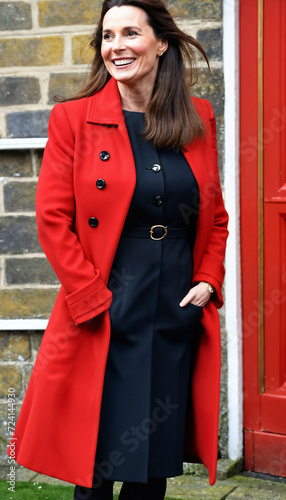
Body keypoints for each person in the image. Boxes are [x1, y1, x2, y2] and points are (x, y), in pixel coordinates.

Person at [8, 1, 229, 499]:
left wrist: (207, 280)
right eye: (108, 36)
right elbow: (52, 219)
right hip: (109, 293)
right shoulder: (73, 118)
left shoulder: (197, 115)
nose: (116, 46)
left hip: (175, 296)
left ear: (162, 42)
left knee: (155, 456)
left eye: (131, 32)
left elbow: (215, 214)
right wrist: (90, 296)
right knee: (100, 453)